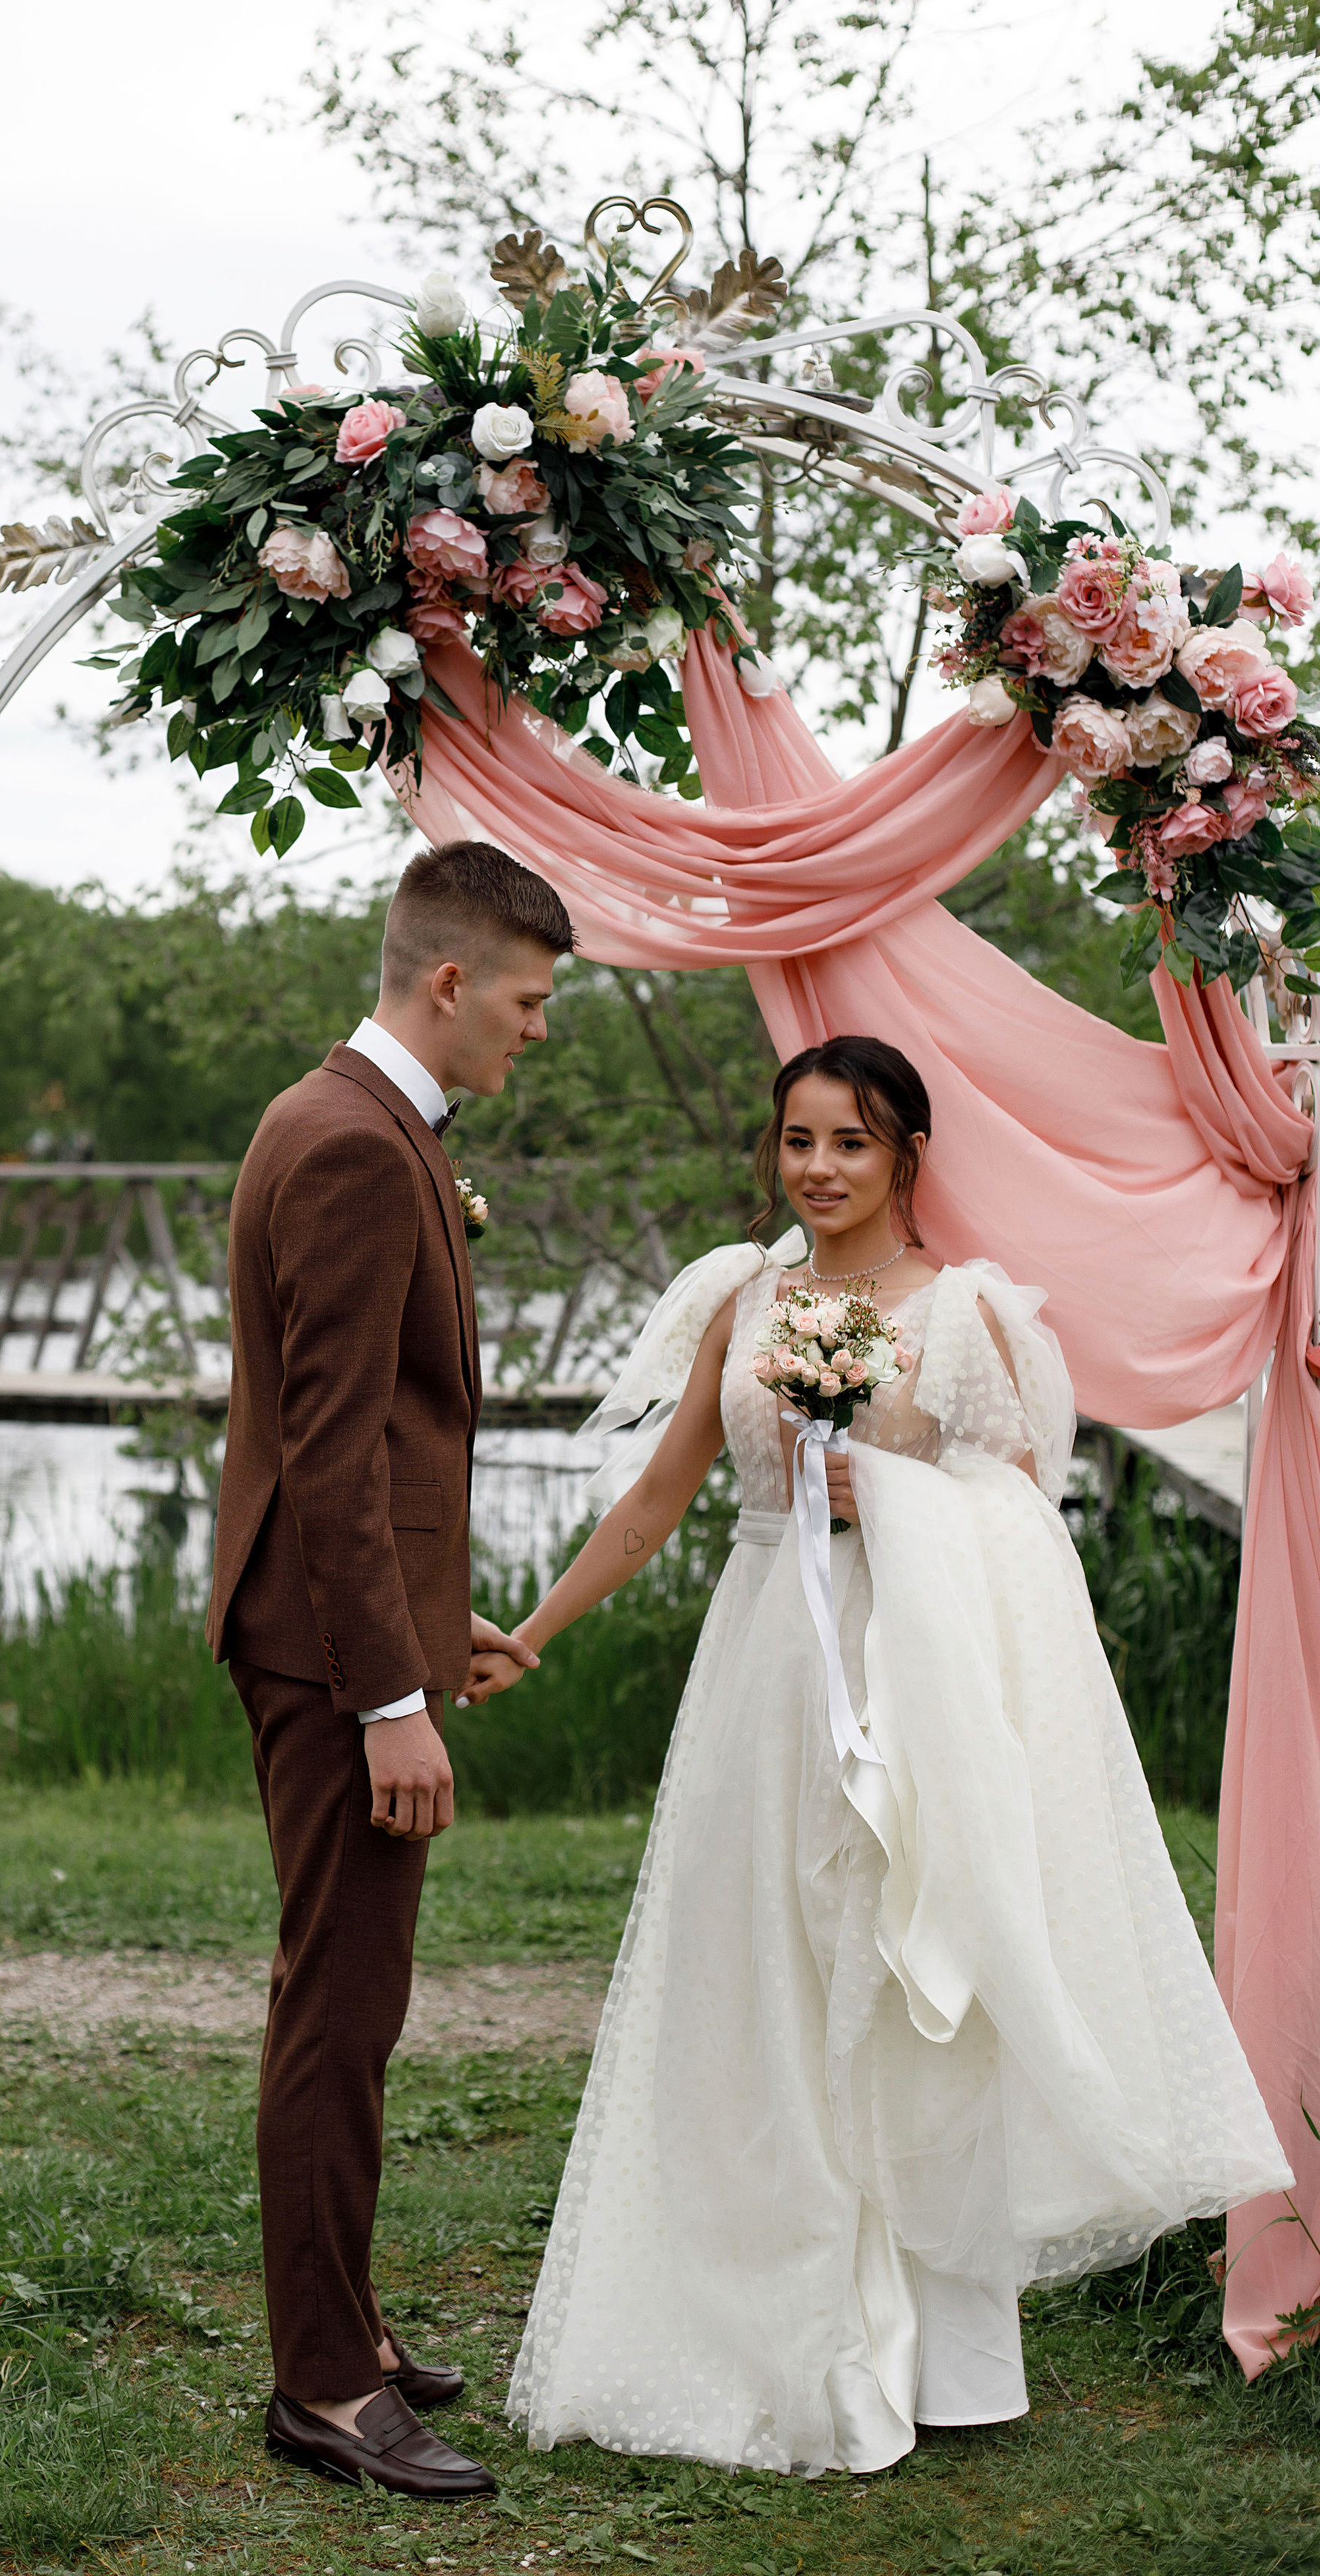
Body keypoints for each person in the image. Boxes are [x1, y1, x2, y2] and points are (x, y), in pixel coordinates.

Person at [471, 1033, 1291, 2477]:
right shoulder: (741, 1294)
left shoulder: (966, 1314)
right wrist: (531, 1634)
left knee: (916, 1978)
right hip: (763, 1669)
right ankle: (754, 2313)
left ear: (906, 1156)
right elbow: (660, 1500)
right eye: (796, 1140)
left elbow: (1022, 1524)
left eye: (848, 1142)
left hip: (913, 1683)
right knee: (759, 1961)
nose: (819, 1168)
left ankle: (943, 2359)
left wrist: (890, 1498)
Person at [209, 840, 572, 2501]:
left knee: (348, 2005)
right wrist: (389, 1699)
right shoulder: (351, 1148)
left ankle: (343, 2328)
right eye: (526, 999)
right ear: (447, 985)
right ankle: (318, 2390)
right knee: (336, 2017)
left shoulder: (347, 1119)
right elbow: (331, 1454)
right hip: (323, 1655)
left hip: (350, 1628)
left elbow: (367, 1448)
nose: (537, 1031)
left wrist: (437, 1628)